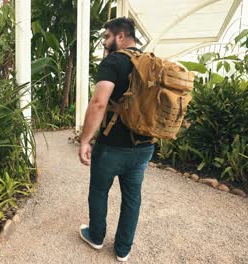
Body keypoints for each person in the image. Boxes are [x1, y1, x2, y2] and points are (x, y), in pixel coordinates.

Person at [78, 17, 155, 262]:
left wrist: (85, 140)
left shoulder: (114, 61)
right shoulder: (151, 62)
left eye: (107, 36)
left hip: (112, 146)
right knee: (133, 197)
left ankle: (97, 236)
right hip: (144, 146)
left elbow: (99, 102)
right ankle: (123, 249)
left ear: (120, 36)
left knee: (99, 190)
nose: (104, 41)